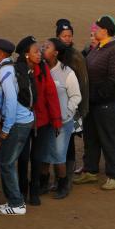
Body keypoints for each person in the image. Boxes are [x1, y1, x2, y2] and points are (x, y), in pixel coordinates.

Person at [73, 16, 115, 191]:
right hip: (94, 102)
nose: (95, 30)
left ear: (105, 30)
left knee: (109, 138)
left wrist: (97, 96)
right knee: (92, 138)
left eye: (98, 27)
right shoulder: (98, 48)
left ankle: (114, 175)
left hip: (107, 103)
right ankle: (91, 170)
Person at [0, 38, 34, 216]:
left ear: (1, 54)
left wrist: (6, 129)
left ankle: (16, 204)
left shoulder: (5, 71)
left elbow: (10, 100)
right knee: (7, 161)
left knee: (5, 162)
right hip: (24, 120)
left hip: (18, 123)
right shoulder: (9, 67)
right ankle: (14, 200)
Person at [16, 36, 61, 206]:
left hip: (42, 121)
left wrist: (56, 120)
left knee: (37, 157)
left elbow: (51, 93)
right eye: (36, 51)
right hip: (23, 121)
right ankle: (21, 190)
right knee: (22, 157)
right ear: (26, 55)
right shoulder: (18, 71)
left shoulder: (42, 68)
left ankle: (34, 191)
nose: (40, 53)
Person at [39, 39, 80, 196]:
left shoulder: (67, 72)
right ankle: (43, 183)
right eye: (42, 46)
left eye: (47, 47)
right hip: (45, 121)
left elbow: (76, 96)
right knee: (43, 153)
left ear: (56, 53)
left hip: (62, 122)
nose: (43, 48)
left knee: (58, 154)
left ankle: (63, 185)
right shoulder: (40, 69)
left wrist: (66, 114)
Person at [55, 19, 89, 187]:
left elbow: (83, 85)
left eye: (69, 36)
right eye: (63, 36)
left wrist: (81, 110)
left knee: (67, 143)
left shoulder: (76, 57)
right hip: (55, 108)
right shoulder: (53, 54)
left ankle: (66, 179)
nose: (67, 39)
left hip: (72, 108)